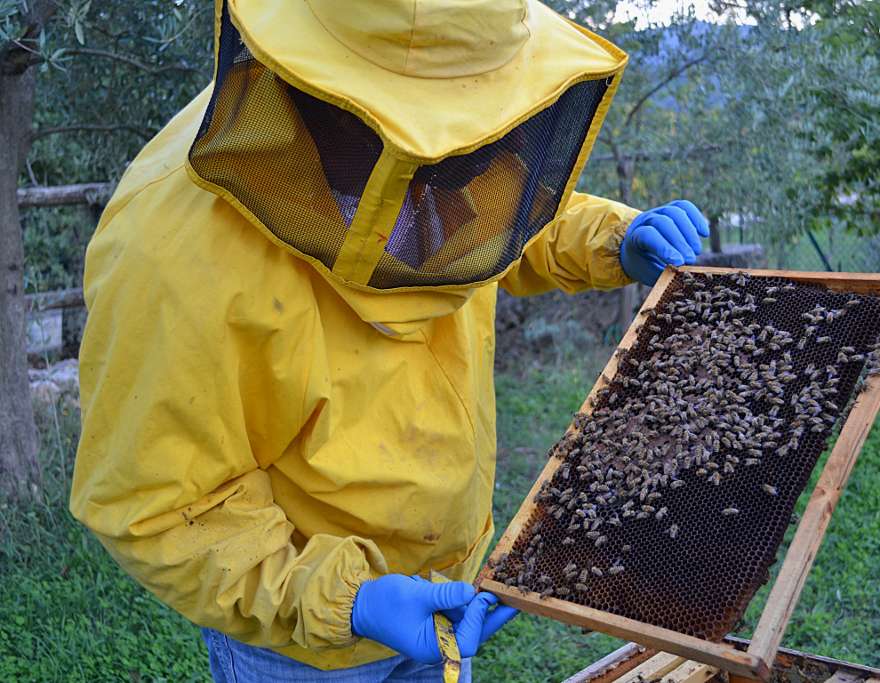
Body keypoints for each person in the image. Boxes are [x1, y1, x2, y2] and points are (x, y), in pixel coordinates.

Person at [69, 1, 710, 681]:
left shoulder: (443, 159)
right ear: (328, 93)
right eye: (447, 134)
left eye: (482, 125)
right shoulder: (174, 260)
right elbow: (165, 506)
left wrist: (611, 238)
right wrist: (349, 600)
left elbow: (495, 219)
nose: (480, 153)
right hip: (302, 644)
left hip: (445, 589)